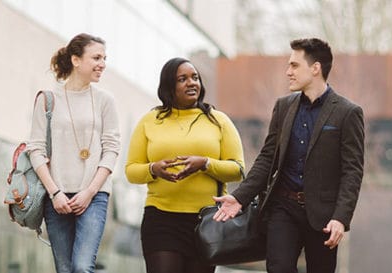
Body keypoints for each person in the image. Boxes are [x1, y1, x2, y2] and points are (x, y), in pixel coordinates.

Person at [213, 38, 365, 273]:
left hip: (323, 216)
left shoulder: (348, 112)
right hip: (282, 208)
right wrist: (240, 197)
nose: (288, 72)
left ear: (315, 68)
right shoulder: (283, 107)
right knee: (278, 268)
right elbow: (267, 158)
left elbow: (352, 172)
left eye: (294, 65)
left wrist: (340, 218)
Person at [125, 57, 245, 273]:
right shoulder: (149, 121)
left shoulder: (219, 121)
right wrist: (154, 169)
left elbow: (238, 169)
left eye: (195, 78)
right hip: (161, 219)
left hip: (206, 222)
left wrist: (205, 164)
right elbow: (132, 171)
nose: (192, 83)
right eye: (183, 79)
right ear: (169, 86)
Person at [26, 33, 120, 273]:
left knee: (81, 267)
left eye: (104, 58)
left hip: (94, 195)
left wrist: (89, 192)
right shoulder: (47, 100)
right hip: (56, 196)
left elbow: (111, 149)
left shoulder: (105, 100)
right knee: (65, 269)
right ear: (76, 60)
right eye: (96, 57)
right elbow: (35, 149)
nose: (103, 64)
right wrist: (55, 192)